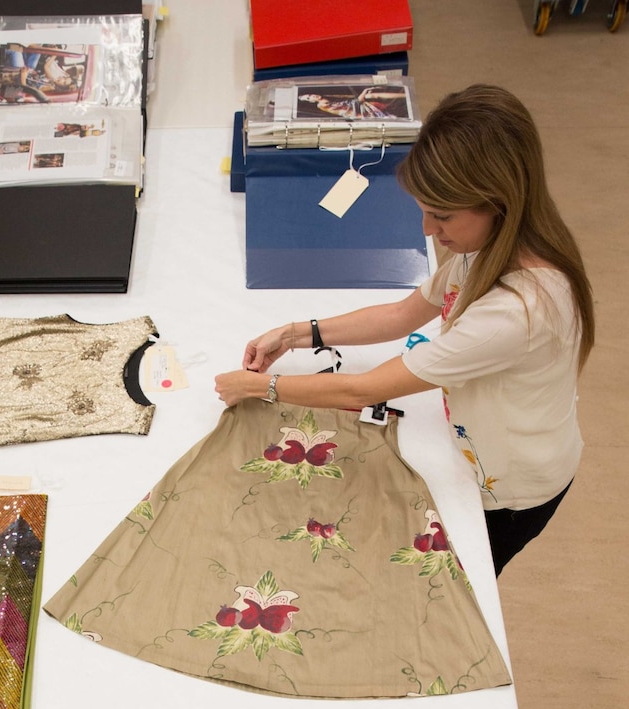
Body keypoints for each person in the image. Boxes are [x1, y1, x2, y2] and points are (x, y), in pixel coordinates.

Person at [215, 84, 595, 575]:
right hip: (489, 440)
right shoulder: (488, 245)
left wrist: (263, 387)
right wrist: (295, 333)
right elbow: (403, 314)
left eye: (440, 215)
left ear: (497, 201)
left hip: (514, 485)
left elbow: (364, 387)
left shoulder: (518, 312)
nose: (425, 230)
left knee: (456, 592)